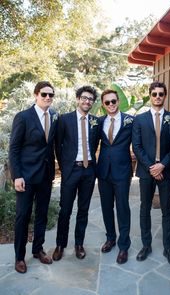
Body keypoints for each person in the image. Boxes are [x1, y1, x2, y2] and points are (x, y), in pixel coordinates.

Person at [9, 81, 57, 273]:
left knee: (42, 216)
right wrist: (17, 176)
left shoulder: (54, 117)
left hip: (45, 176)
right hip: (26, 177)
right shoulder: (23, 117)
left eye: (51, 95)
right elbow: (14, 148)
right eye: (44, 94)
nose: (47, 98)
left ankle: (38, 249)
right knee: (23, 216)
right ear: (36, 95)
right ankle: (19, 257)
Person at [132, 81, 170, 266]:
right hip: (146, 171)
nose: (157, 97)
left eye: (161, 94)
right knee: (145, 209)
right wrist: (152, 167)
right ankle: (146, 245)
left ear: (165, 96)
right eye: (154, 94)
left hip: (166, 171)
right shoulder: (139, 119)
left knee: (167, 210)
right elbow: (137, 146)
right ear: (150, 96)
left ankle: (168, 248)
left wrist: (162, 166)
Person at [52, 85, 100, 261]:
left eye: (90, 99)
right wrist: (64, 167)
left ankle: (79, 244)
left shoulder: (96, 121)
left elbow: (94, 145)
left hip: (88, 171)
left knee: (83, 209)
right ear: (78, 99)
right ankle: (60, 244)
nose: (87, 101)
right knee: (65, 210)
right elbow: (58, 145)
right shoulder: (64, 120)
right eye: (84, 98)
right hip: (71, 170)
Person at [97, 89, 133, 264]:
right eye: (107, 102)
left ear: (118, 101)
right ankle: (110, 238)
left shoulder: (130, 121)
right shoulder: (99, 122)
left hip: (122, 172)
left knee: (122, 208)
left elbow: (139, 143)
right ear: (103, 105)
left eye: (113, 101)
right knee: (106, 207)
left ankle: (124, 246)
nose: (110, 105)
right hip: (103, 171)